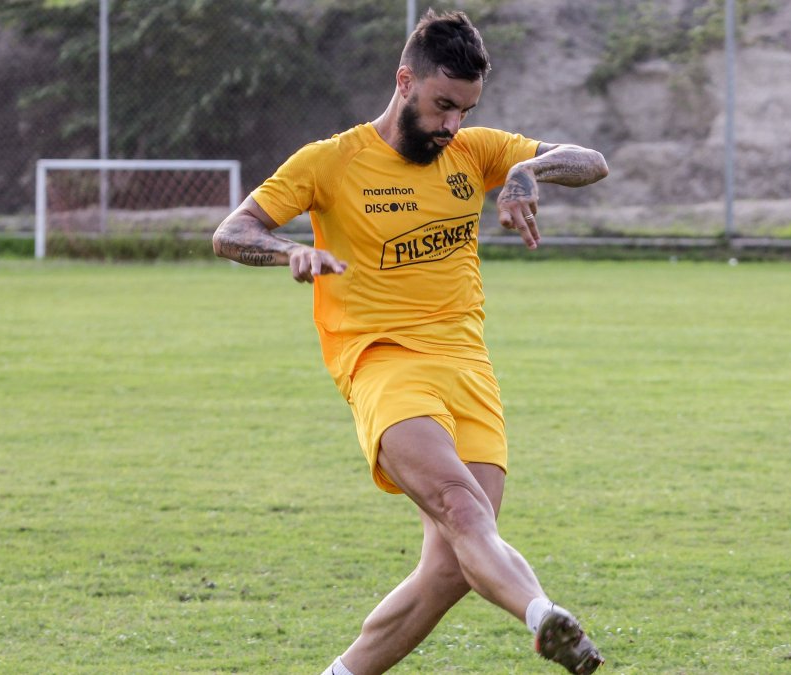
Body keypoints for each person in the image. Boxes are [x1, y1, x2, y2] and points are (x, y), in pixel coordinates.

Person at [212, 10, 608, 673]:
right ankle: (544, 616)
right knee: (461, 507)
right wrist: (288, 252)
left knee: (451, 566)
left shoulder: (474, 151)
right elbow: (231, 232)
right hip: (383, 363)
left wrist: (527, 170)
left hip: (468, 368)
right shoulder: (330, 161)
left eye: (465, 110)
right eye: (442, 105)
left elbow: (592, 161)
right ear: (405, 81)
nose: (452, 123)